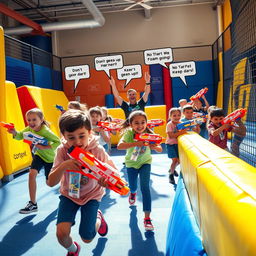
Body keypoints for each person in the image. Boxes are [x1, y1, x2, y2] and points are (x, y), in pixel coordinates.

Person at [48, 109, 117, 256]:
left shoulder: (97, 150)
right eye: (71, 137)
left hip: (91, 194)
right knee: (61, 234)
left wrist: (107, 181)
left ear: (90, 132)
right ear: (64, 136)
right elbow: (50, 182)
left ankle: (98, 217)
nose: (78, 142)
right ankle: (73, 250)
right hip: (69, 195)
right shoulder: (62, 151)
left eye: (82, 136)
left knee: (87, 237)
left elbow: (114, 173)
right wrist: (64, 165)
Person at [7, 108, 61, 214]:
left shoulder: (46, 131)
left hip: (50, 158)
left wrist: (45, 147)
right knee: (32, 175)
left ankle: (62, 178)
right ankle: (33, 203)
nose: (31, 122)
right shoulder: (29, 129)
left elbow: (58, 142)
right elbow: (19, 136)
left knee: (49, 183)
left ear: (41, 120)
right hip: (39, 155)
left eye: (34, 120)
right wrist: (14, 132)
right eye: (29, 120)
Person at [117, 110, 162, 231]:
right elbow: (119, 146)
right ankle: (132, 193)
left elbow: (160, 148)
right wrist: (136, 143)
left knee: (145, 187)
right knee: (132, 186)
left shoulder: (149, 133)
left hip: (145, 163)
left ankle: (147, 218)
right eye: (136, 123)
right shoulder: (128, 133)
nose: (140, 125)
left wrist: (154, 146)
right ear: (131, 124)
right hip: (131, 164)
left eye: (143, 122)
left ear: (147, 123)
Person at [166, 108, 187, 184]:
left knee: (179, 161)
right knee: (174, 160)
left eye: (179, 115)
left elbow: (186, 130)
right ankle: (171, 175)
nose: (177, 117)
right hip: (170, 144)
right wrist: (181, 132)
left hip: (178, 144)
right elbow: (171, 136)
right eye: (174, 115)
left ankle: (172, 169)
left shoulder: (181, 123)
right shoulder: (169, 124)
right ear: (170, 116)